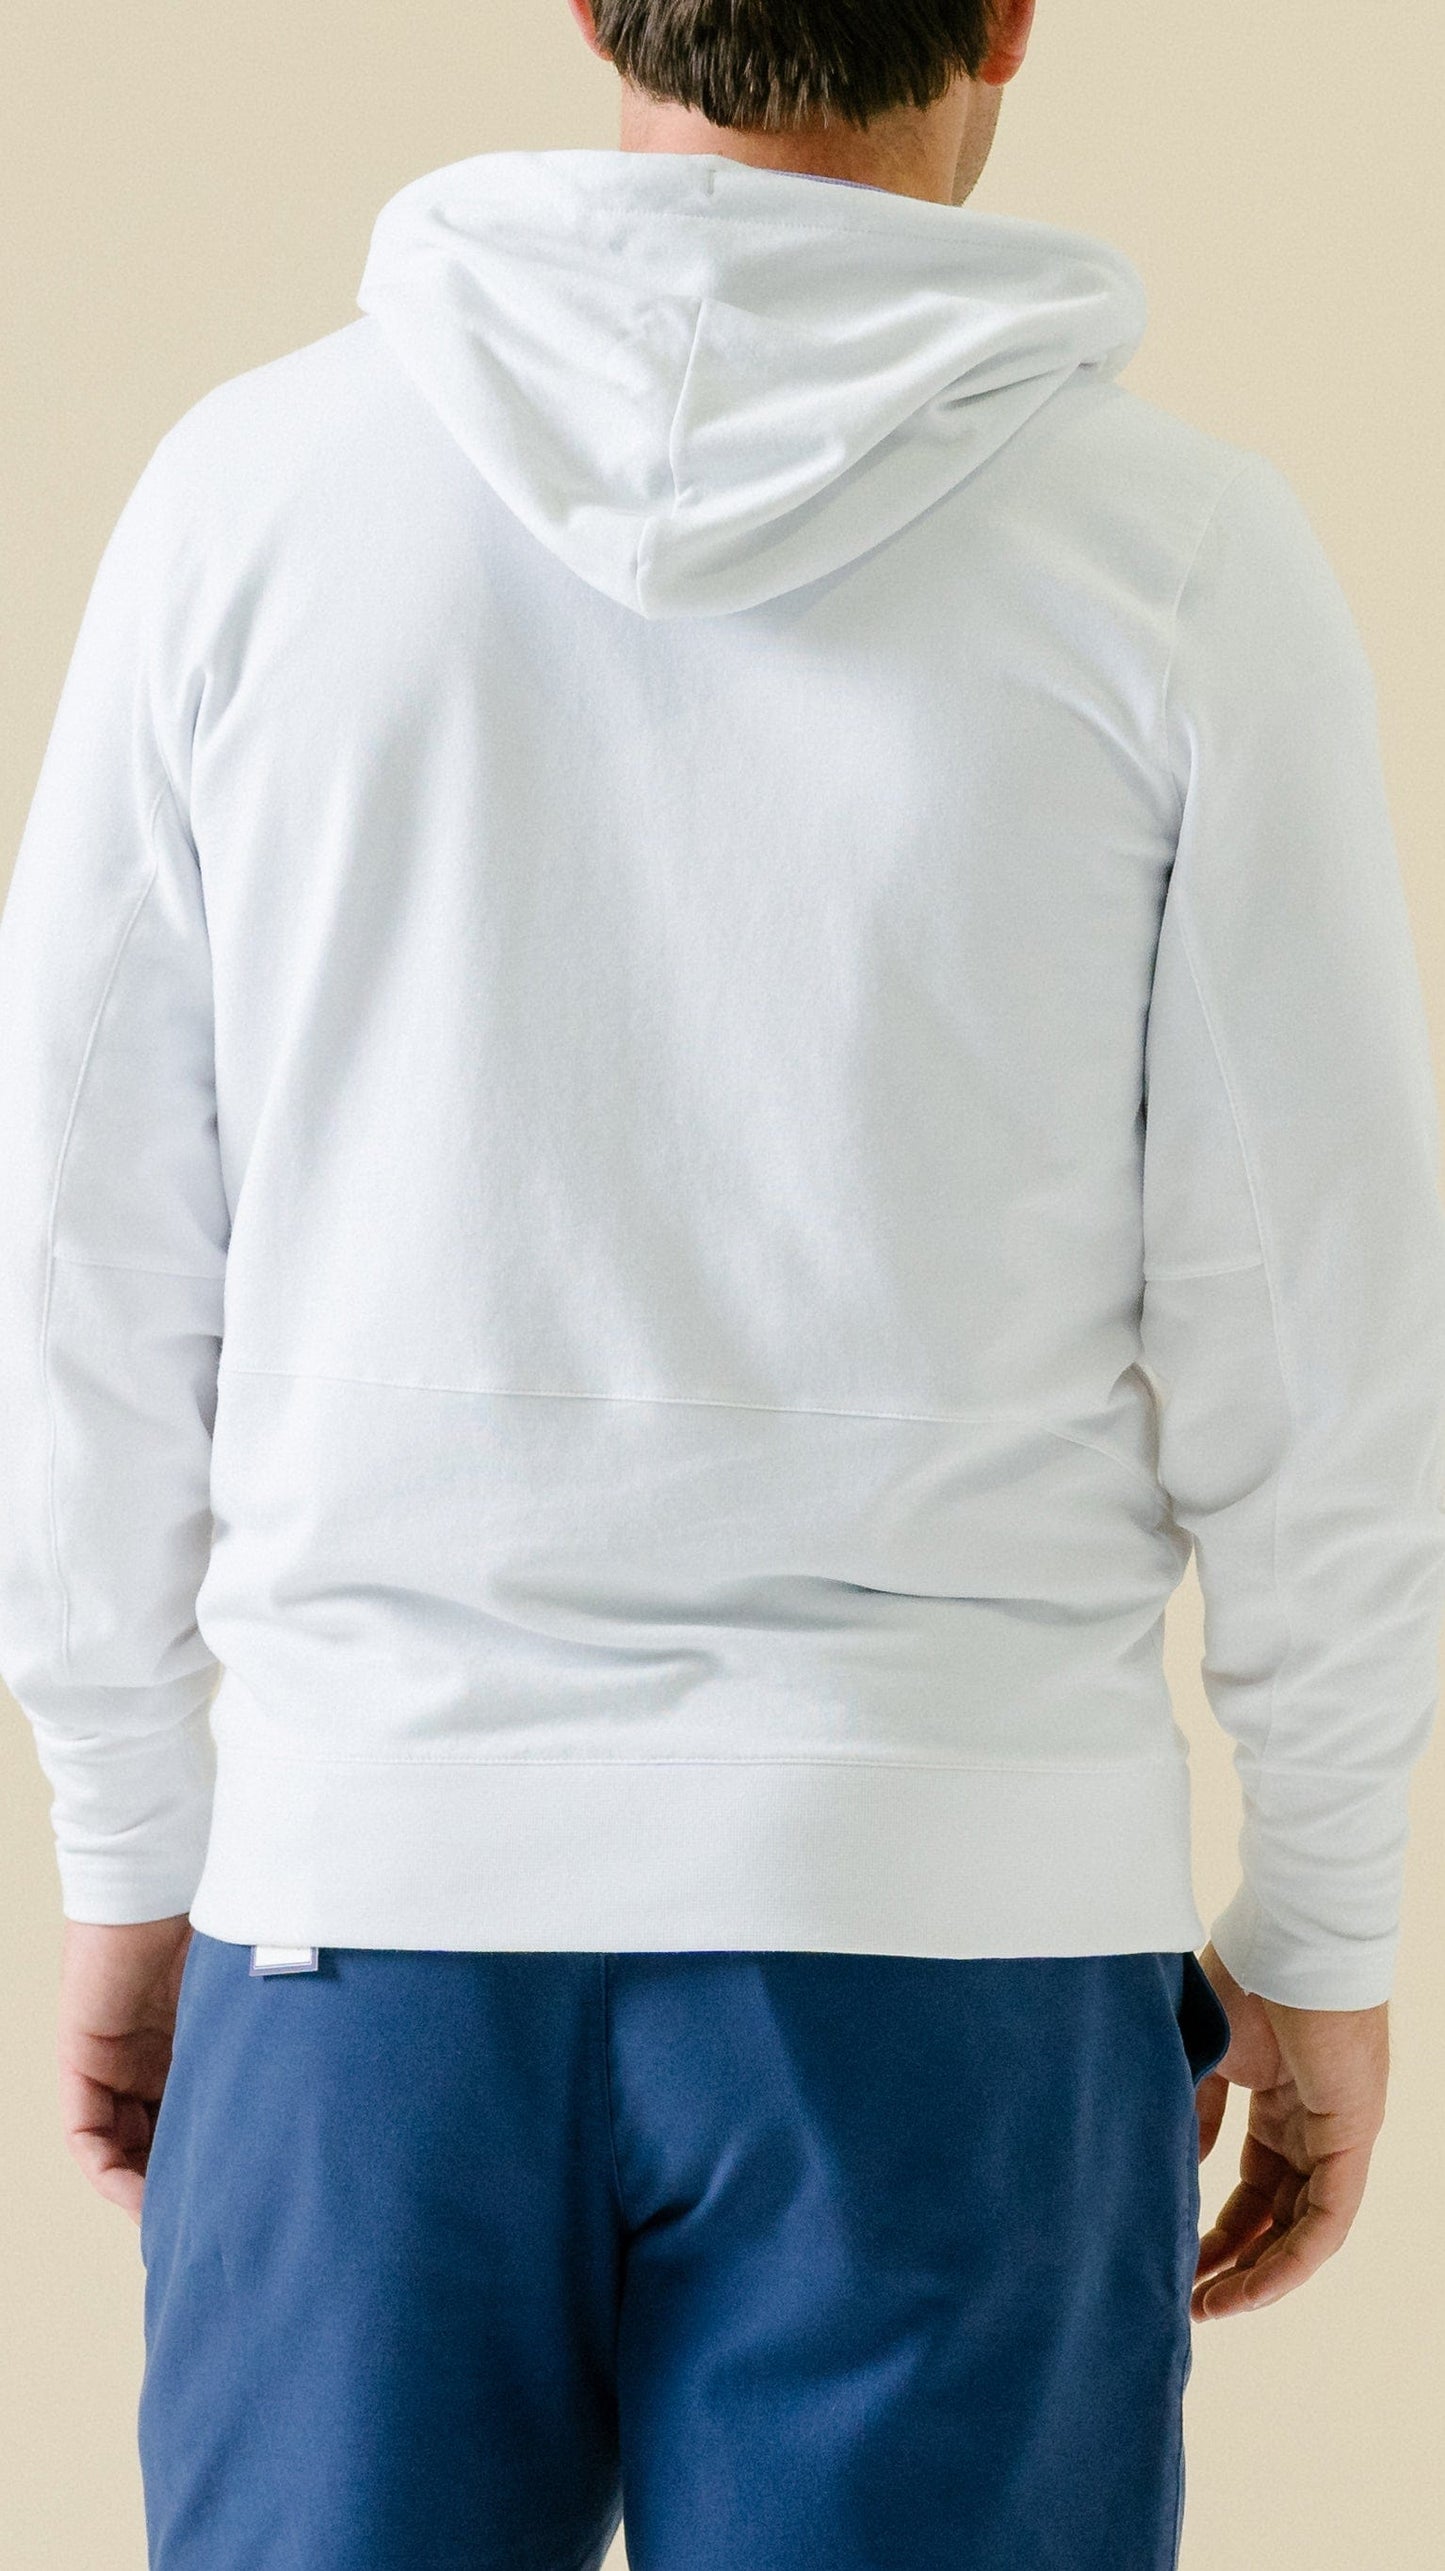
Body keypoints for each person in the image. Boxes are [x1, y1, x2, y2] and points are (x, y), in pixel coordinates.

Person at [1, 2, 1441, 2564]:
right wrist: (1323, 1911)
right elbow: (1316, 1327)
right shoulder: (1180, 563)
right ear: (1007, 14)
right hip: (953, 1933)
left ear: (592, 2)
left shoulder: (250, 505)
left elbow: (83, 1252)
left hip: (367, 1915)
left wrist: (133, 1830)